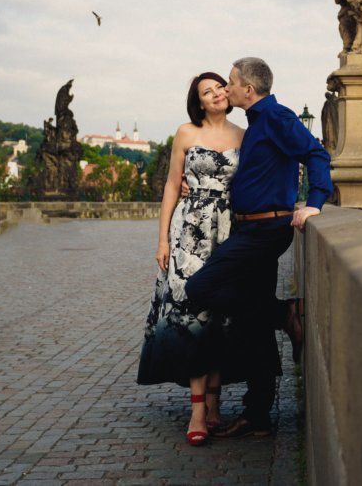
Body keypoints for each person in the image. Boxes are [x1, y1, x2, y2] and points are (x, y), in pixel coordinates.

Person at [186, 57, 333, 439]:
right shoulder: (256, 123)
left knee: (200, 288)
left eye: (231, 83)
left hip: (265, 230)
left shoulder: (276, 117)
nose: (226, 89)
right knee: (253, 327)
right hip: (252, 227)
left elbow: (316, 153)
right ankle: (258, 415)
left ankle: (285, 312)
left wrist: (315, 200)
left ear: (248, 90)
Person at [137, 71, 244, 447]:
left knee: (221, 317)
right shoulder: (186, 132)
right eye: (206, 91)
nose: (215, 94)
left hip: (228, 232)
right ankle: (198, 409)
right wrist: (162, 238)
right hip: (189, 233)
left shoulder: (242, 136)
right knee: (191, 314)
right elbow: (171, 184)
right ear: (198, 101)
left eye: (219, 88)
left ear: (229, 93)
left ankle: (215, 405)